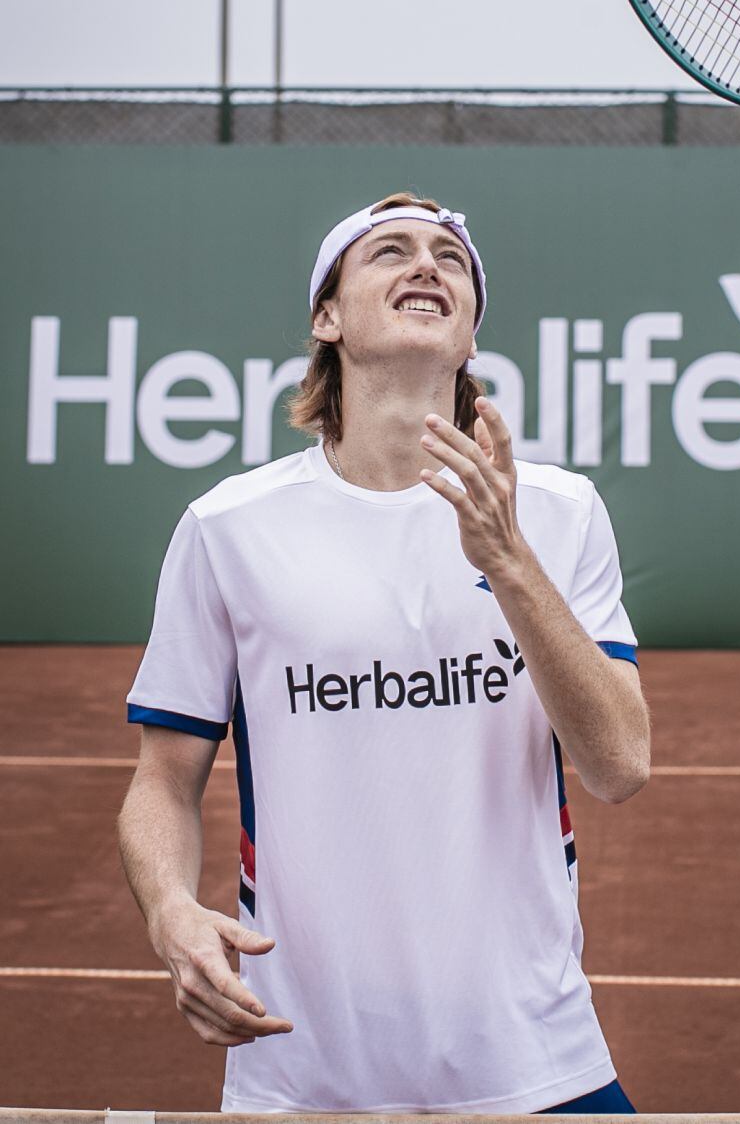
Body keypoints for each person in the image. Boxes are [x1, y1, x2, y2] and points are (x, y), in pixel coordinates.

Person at [118, 188, 650, 1116]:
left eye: (450, 259)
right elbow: (163, 780)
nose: (427, 265)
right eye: (390, 251)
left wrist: (509, 564)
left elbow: (618, 767)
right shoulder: (228, 528)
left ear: (472, 334)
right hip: (303, 1069)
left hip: (534, 1055)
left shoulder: (559, 514)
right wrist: (169, 911)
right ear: (328, 317)